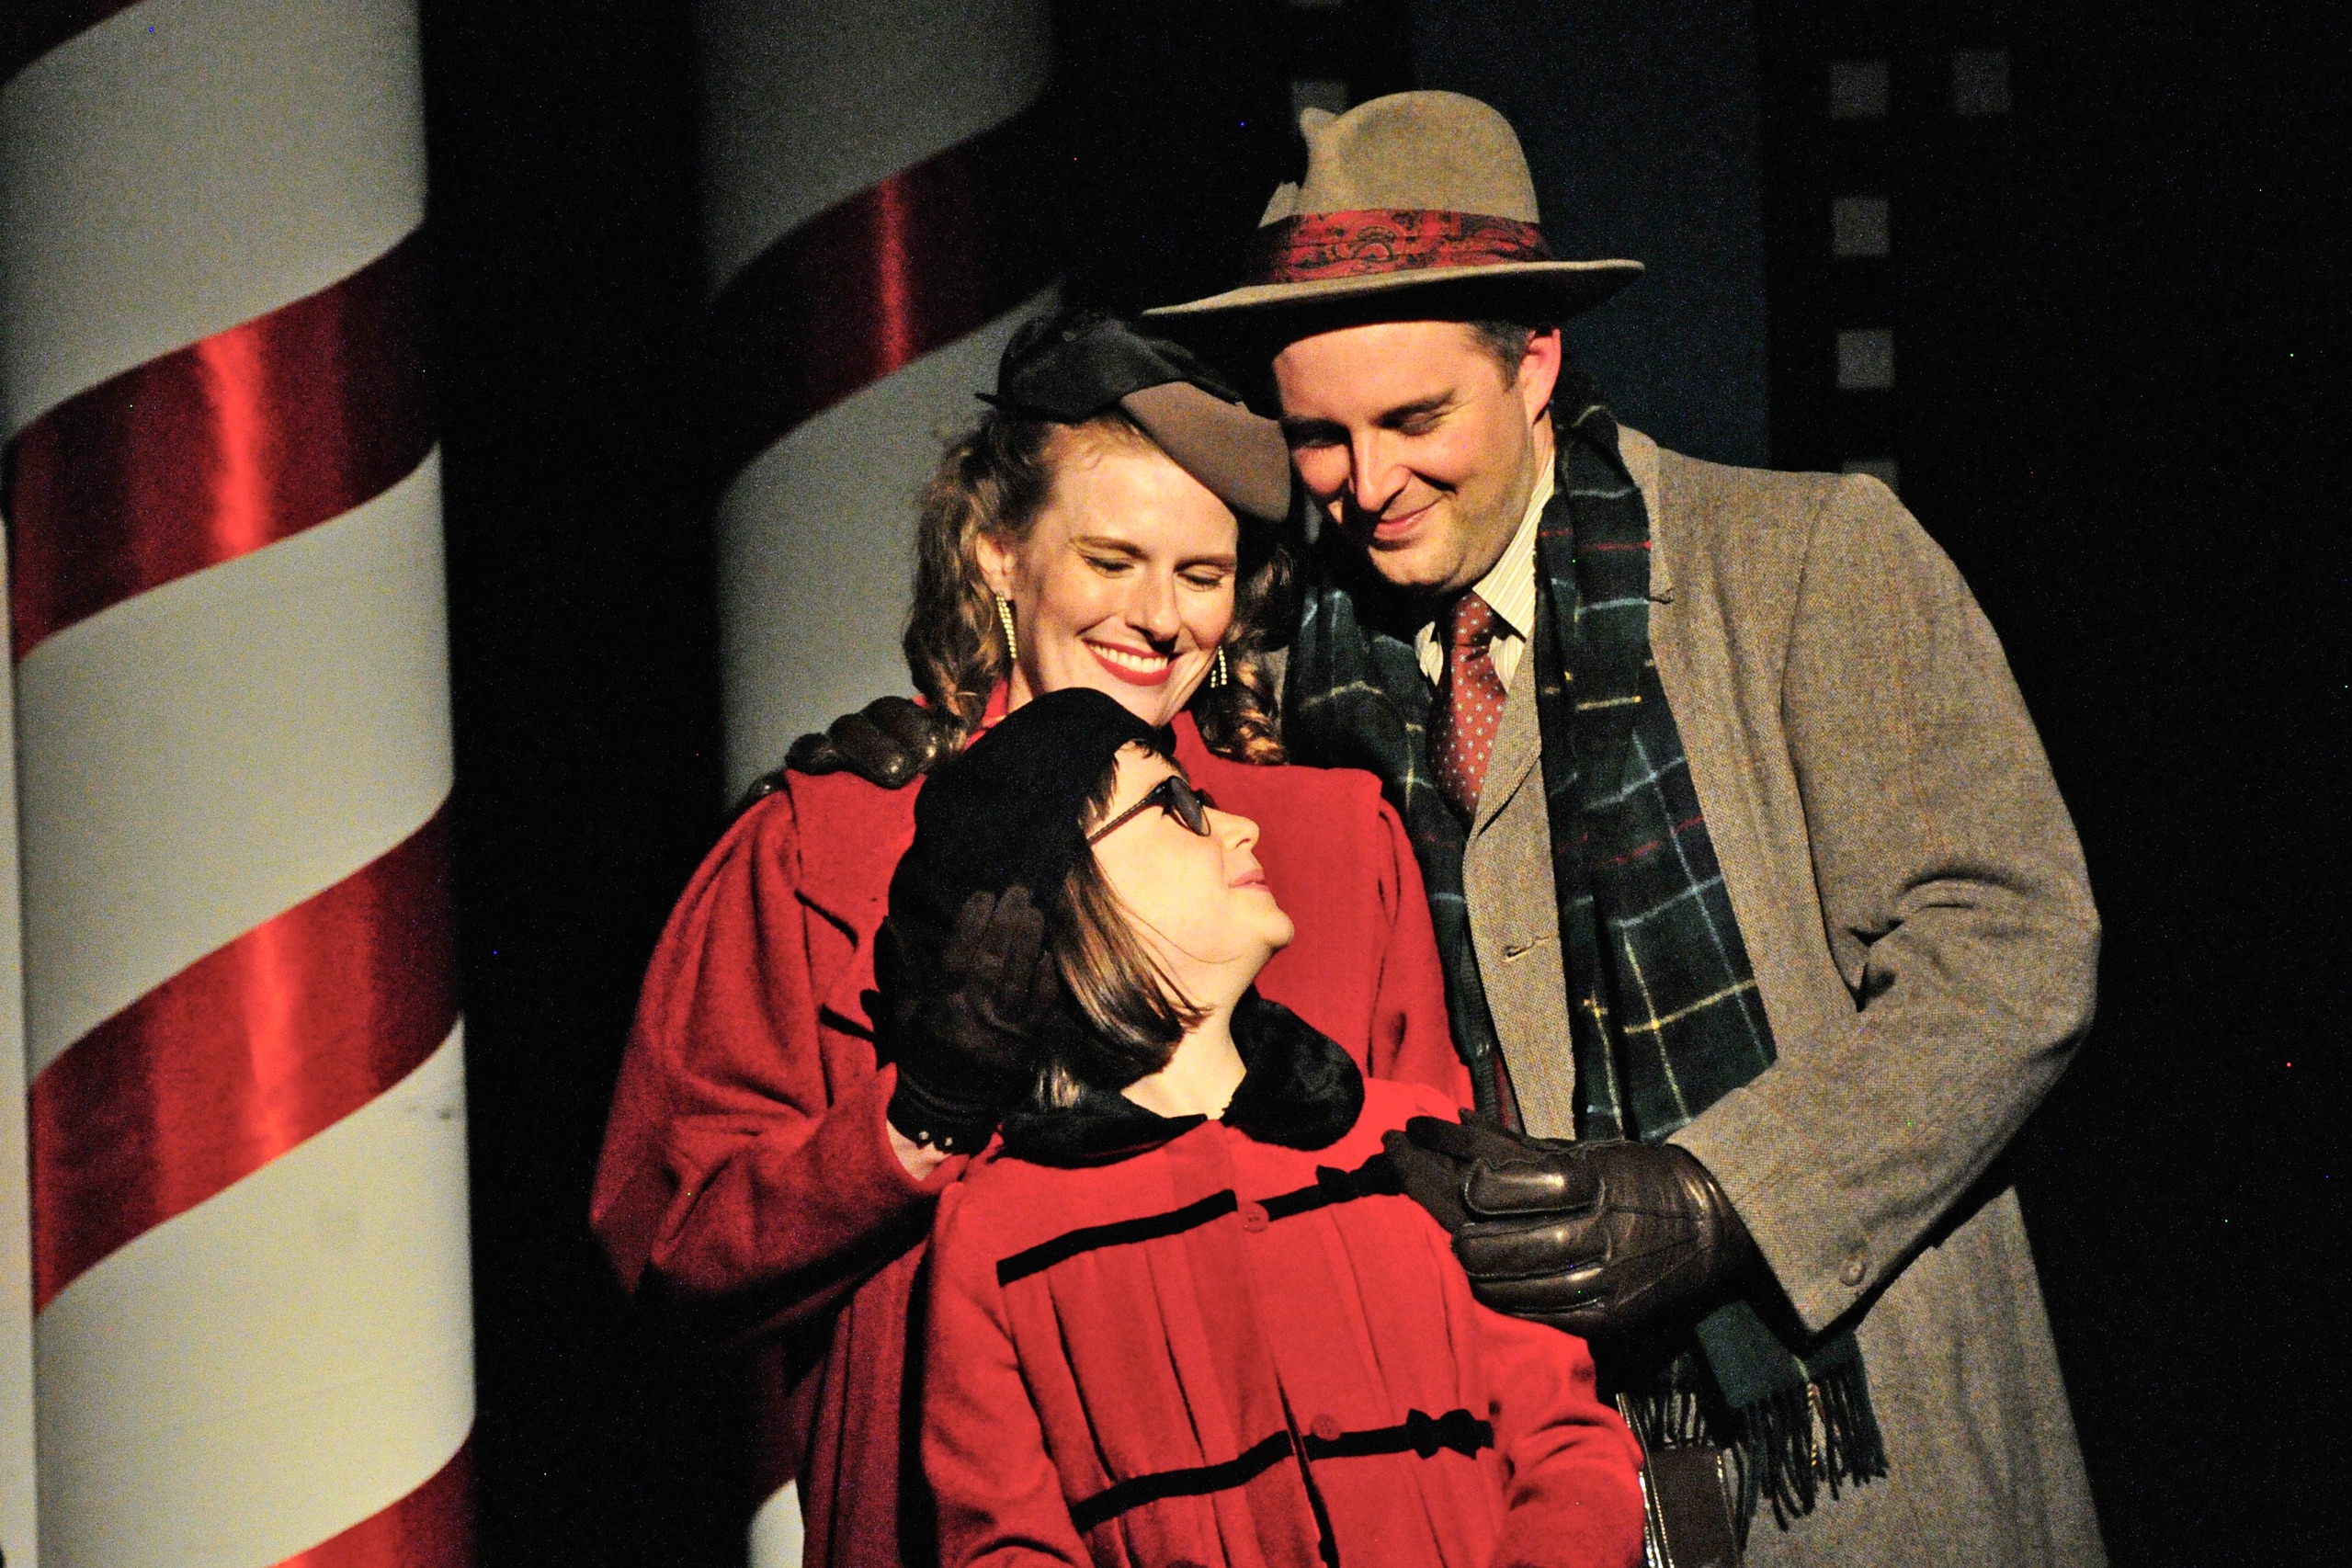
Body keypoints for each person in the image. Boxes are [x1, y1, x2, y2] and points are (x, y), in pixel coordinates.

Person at [1141, 91, 2108, 1564]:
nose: (1368, 484)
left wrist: (1727, 1192)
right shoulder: (1286, 683)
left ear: (1534, 361)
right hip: (1518, 1483)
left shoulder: (1799, 567)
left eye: (1413, 419)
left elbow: (2012, 950)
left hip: (1856, 1469)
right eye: (1319, 438)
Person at [589, 312, 1468, 1568]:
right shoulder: (827, 843)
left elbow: (1423, 1229)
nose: (1158, 619)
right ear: (996, 554)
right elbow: (669, 1234)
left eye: (1201, 575)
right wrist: (908, 1125)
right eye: (1110, 560)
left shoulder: (1326, 848)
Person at [899, 687, 1645, 1568]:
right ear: (1054, 892)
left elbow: (1570, 1454)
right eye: (1175, 808)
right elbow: (1003, 1549)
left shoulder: (1413, 1138)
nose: (1241, 828)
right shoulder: (998, 1230)